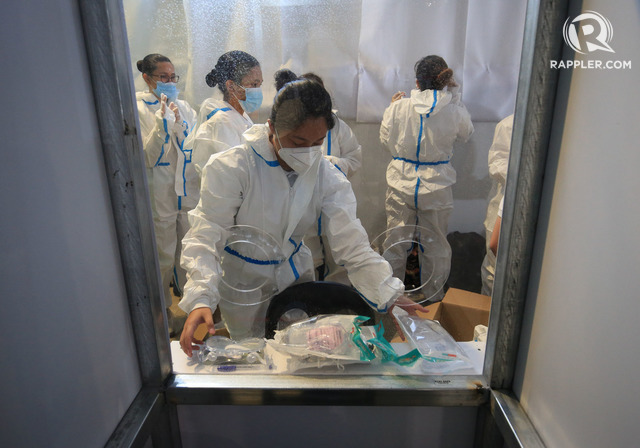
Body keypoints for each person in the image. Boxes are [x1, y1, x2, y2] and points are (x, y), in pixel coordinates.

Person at [179, 79, 420, 356]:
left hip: (295, 278)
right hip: (245, 282)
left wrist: (387, 292)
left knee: (297, 352)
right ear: (272, 129)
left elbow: (352, 244)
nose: (307, 151)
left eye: (317, 143)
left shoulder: (324, 174)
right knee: (250, 354)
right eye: (297, 141)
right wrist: (201, 295)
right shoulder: (233, 167)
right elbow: (206, 234)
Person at [380, 55, 473, 301]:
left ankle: (390, 301)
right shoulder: (454, 110)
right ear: (446, 81)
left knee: (394, 242)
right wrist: (456, 97)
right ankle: (434, 301)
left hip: (400, 181)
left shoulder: (398, 106)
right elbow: (467, 134)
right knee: (436, 247)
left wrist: (391, 107)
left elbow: (384, 139)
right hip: (437, 185)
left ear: (417, 81)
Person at [274, 69, 363, 284]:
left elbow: (354, 158)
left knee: (339, 260)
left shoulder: (338, 126)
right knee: (307, 259)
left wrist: (333, 165)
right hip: (303, 206)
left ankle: (334, 303)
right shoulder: (286, 130)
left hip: (332, 201)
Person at [135, 53, 197, 325]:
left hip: (186, 189)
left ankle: (195, 309)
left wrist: (180, 126)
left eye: (173, 77)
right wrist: (162, 126)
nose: (170, 82)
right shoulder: (136, 108)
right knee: (162, 256)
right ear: (147, 78)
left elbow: (194, 146)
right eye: (163, 77)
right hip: (158, 190)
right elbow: (148, 157)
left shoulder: (184, 106)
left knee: (191, 252)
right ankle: (161, 315)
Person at [186, 51, 263, 174]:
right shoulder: (222, 122)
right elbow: (233, 173)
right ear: (231, 86)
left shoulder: (239, 115)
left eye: (260, 84)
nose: (258, 90)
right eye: (253, 84)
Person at [481, 114, 513, 296]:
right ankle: (486, 317)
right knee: (494, 268)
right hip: (505, 202)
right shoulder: (509, 125)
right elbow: (496, 164)